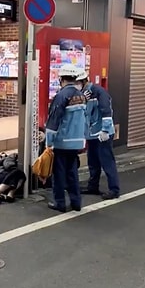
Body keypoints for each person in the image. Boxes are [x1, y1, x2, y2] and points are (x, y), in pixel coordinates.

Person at [44, 64, 87, 212]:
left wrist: (48, 143)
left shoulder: (61, 96)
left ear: (61, 79)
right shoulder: (81, 95)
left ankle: (60, 203)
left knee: (59, 174)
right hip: (77, 142)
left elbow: (53, 121)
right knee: (72, 173)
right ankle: (76, 203)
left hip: (62, 143)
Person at [76, 70, 120, 200]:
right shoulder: (83, 94)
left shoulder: (99, 92)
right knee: (93, 161)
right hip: (91, 134)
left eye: (77, 82)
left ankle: (114, 189)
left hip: (102, 134)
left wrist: (106, 130)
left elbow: (107, 111)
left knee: (107, 161)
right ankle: (93, 186)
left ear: (84, 81)